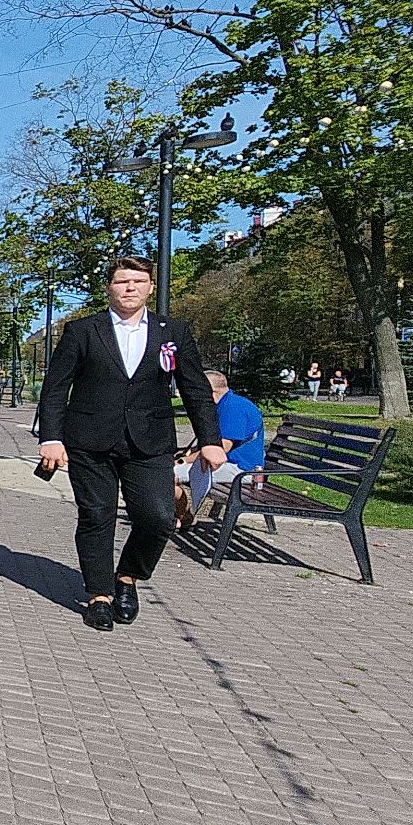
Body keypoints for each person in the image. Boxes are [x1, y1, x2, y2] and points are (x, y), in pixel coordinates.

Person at [36, 255, 220, 633]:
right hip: (90, 441)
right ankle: (99, 595)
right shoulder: (84, 330)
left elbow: (196, 390)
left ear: (150, 286)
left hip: (149, 441)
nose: (130, 288)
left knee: (157, 517)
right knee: (97, 516)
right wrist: (51, 438)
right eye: (122, 281)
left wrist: (210, 441)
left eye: (138, 281)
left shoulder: (174, 332)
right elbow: (55, 388)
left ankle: (128, 576)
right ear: (110, 287)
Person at [173, 370, 266, 528]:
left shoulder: (234, 407)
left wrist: (181, 461)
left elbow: (220, 449)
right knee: (164, 471)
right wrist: (184, 454)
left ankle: (185, 517)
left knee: (167, 474)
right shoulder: (225, 404)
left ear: (210, 391)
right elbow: (209, 444)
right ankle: (184, 516)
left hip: (241, 470)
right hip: (228, 465)